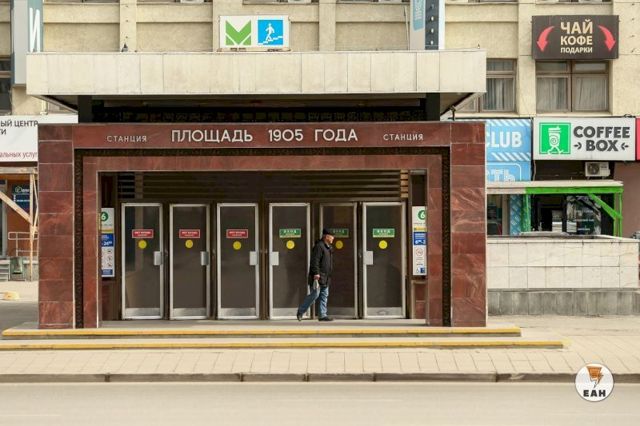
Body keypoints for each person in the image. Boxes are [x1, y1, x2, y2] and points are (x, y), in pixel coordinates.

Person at [296, 228, 334, 322]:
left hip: (326, 277)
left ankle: (322, 315)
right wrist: (316, 273)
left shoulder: (328, 247)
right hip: (318, 276)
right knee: (315, 295)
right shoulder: (319, 246)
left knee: (324, 295)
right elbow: (315, 261)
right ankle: (300, 311)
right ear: (326, 236)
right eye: (332, 236)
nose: (333, 238)